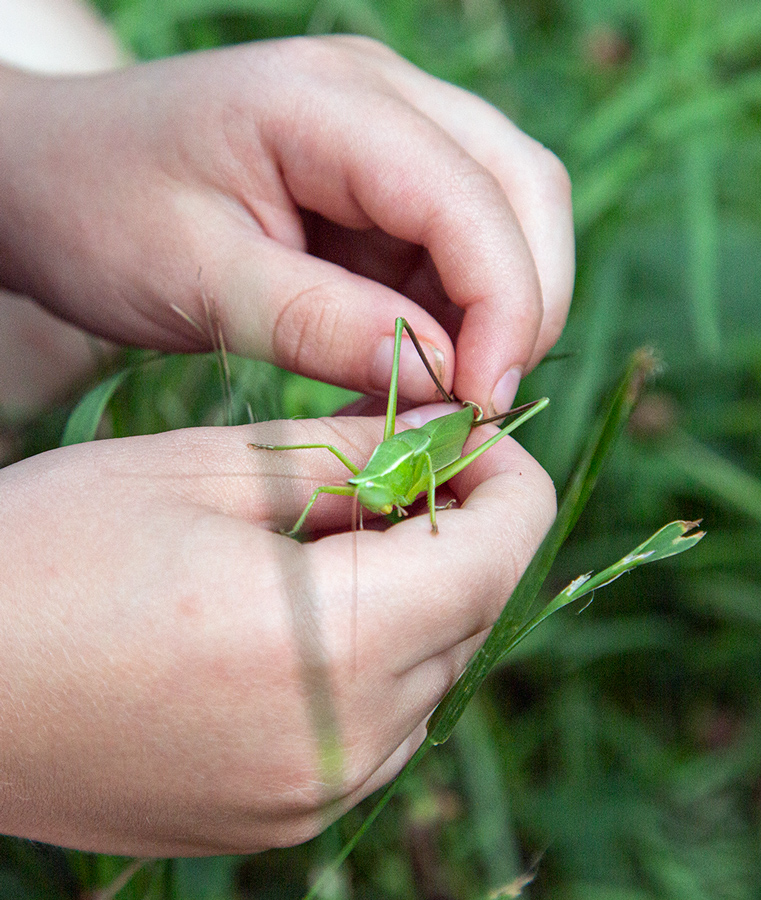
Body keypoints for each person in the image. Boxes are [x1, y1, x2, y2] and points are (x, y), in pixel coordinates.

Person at [0, 0, 574, 857]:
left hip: (423, 447)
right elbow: (320, 458)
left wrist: (35, 145)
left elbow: (330, 455)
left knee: (51, 47)